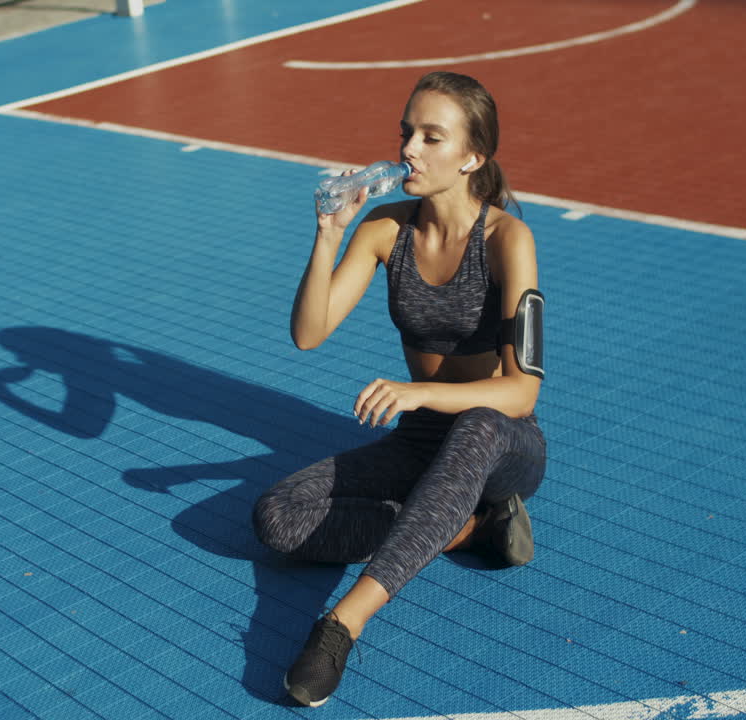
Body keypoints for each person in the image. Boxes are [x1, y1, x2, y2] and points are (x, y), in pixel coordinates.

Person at [251, 71, 548, 707]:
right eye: (406, 132)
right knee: (276, 517)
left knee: (478, 425)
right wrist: (329, 233)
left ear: (472, 157)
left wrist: (419, 394)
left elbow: (521, 393)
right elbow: (309, 333)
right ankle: (472, 530)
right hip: (421, 443)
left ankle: (341, 625)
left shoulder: (507, 240)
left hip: (504, 444)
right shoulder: (384, 230)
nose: (408, 148)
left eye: (431, 137)